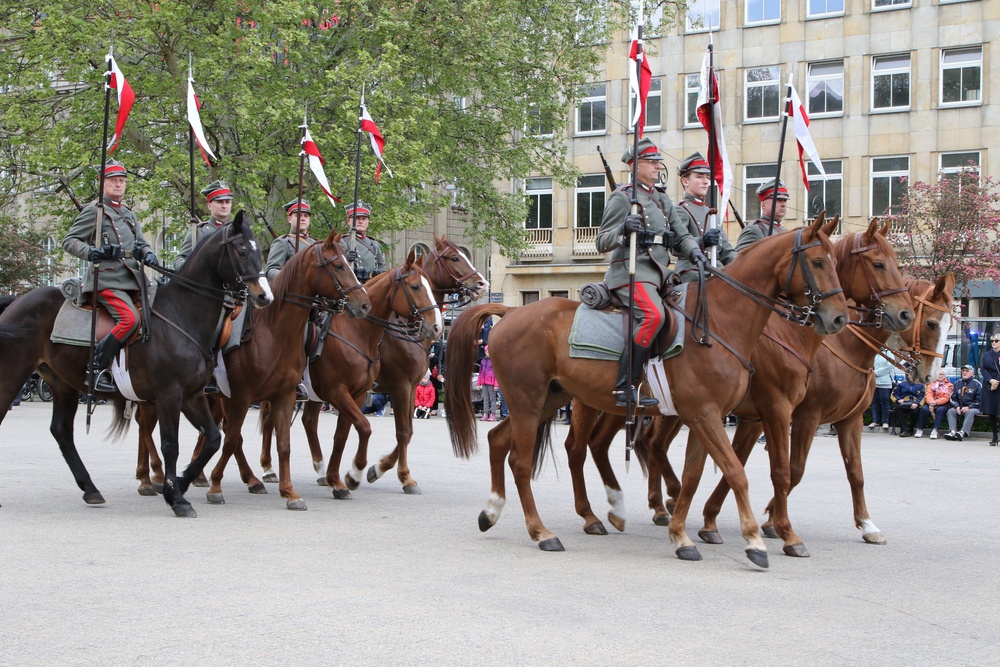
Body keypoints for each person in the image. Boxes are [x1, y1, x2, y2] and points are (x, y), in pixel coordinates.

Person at [595, 137, 701, 407]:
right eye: (651, 161)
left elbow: (681, 234)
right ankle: (625, 386)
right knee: (653, 316)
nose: (657, 166)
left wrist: (696, 252)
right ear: (635, 165)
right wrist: (622, 230)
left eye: (658, 161)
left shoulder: (662, 198)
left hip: (661, 274)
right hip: (632, 271)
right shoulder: (623, 197)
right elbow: (601, 242)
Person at [63, 160, 158, 392]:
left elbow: (142, 243)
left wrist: (148, 254)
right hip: (106, 279)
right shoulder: (94, 211)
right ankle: (95, 367)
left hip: (134, 279)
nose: (118, 184)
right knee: (130, 320)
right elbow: (69, 241)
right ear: (102, 183)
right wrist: (91, 252)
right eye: (113, 180)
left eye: (122, 181)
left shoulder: (128, 213)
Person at [672, 151, 736, 281]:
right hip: (693, 271)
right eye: (700, 177)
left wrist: (745, 263)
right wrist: (702, 241)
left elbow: (726, 251)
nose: (706, 181)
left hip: (717, 270)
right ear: (685, 181)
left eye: (707, 177)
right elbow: (675, 247)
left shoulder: (711, 213)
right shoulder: (680, 210)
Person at [173, 180, 233, 271]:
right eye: (220, 202)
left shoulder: (238, 231)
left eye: (227, 202)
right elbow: (179, 260)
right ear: (209, 206)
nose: (224, 206)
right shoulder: (199, 231)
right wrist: (192, 270)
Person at [265, 199, 318, 282]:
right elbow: (270, 272)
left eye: (306, 215)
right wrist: (292, 277)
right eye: (298, 216)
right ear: (289, 219)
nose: (303, 219)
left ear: (309, 219)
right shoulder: (283, 242)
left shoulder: (316, 243)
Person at [735, 178, 790, 253]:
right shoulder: (754, 230)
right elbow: (739, 260)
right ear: (763, 205)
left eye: (785, 200)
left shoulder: (785, 231)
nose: (783, 204)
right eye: (778, 200)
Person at [341, 201, 386, 283]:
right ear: (348, 221)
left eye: (364, 219)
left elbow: (382, 267)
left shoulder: (374, 244)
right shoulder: (343, 242)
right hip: (352, 287)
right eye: (357, 218)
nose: (360, 221)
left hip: (372, 286)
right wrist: (345, 259)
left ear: (368, 221)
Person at [944, 364, 982, 441]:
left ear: (972, 373)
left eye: (967, 371)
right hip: (960, 407)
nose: (964, 372)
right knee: (951, 411)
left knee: (970, 412)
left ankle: (963, 432)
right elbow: (952, 398)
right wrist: (957, 406)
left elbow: (981, 400)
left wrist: (969, 407)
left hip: (974, 407)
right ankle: (953, 432)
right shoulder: (957, 383)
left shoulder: (977, 384)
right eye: (963, 371)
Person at [917, 370, 953, 439]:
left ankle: (935, 430)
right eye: (938, 374)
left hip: (943, 404)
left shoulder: (949, 385)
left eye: (942, 374)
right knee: (924, 409)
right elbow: (928, 394)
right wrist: (931, 403)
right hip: (931, 403)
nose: (940, 376)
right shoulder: (931, 384)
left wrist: (936, 402)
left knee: (940, 410)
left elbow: (946, 397)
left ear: (945, 376)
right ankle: (920, 429)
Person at [979, 333, 1000, 446]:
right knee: (991, 412)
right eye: (992, 341)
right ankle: (994, 437)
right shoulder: (987, 354)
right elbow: (983, 369)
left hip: (998, 383)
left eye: (996, 340)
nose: (993, 343)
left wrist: (996, 381)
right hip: (989, 384)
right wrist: (991, 381)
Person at [890, 372, 924, 437]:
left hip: (914, 404)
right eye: (910, 375)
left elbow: (922, 396)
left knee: (915, 411)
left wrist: (917, 404)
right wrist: (898, 399)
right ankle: (904, 429)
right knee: (897, 408)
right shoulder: (901, 384)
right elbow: (894, 394)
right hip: (903, 403)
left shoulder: (921, 385)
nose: (911, 377)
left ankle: (911, 429)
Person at [868, 354, 894, 430]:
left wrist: (876, 373)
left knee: (885, 401)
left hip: (885, 382)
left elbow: (889, 366)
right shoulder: (874, 354)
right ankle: (875, 420)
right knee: (874, 401)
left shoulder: (888, 353)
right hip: (874, 382)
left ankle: (885, 421)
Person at [477, 345, 499, 421]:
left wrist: (496, 384)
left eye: (489, 351)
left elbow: (497, 373)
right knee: (485, 399)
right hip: (484, 382)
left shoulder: (494, 361)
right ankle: (485, 413)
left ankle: (493, 414)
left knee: (492, 399)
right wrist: (478, 383)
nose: (488, 353)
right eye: (487, 351)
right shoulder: (483, 361)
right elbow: (480, 373)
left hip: (491, 383)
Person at [428, 339, 446, 416]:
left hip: (435, 371)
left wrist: (434, 356)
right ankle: (426, 407)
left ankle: (435, 408)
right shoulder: (426, 344)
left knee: (434, 390)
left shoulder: (441, 345)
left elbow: (440, 360)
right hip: (426, 370)